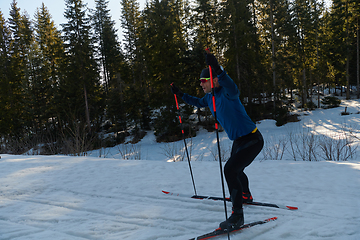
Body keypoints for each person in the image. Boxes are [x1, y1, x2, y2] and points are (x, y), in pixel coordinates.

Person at [170, 52, 264, 230]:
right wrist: (180, 94)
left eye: (203, 80)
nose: (201, 83)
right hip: (239, 140)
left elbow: (233, 87)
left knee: (230, 170)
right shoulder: (209, 97)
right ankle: (246, 196)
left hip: (253, 138)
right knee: (236, 169)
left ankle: (237, 216)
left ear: (213, 80)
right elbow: (197, 102)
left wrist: (218, 69)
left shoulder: (228, 93)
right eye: (200, 81)